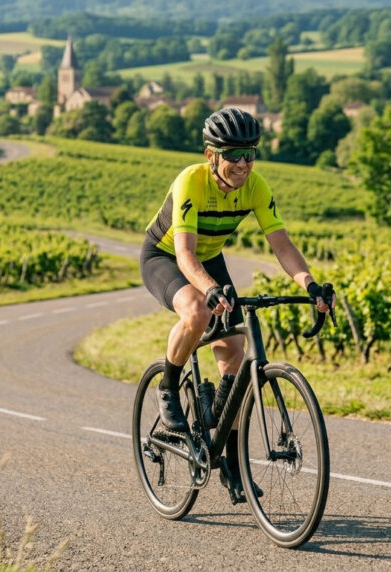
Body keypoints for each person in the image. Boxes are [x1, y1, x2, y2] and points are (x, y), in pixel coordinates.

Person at [139, 107, 331, 501]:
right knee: (197, 310)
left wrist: (310, 284)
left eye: (250, 153)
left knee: (236, 354)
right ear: (212, 155)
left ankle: (228, 459)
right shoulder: (191, 181)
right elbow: (185, 253)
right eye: (234, 155)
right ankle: (169, 389)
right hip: (166, 256)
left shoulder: (256, 186)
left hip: (209, 259)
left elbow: (281, 245)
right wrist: (210, 289)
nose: (243, 163)